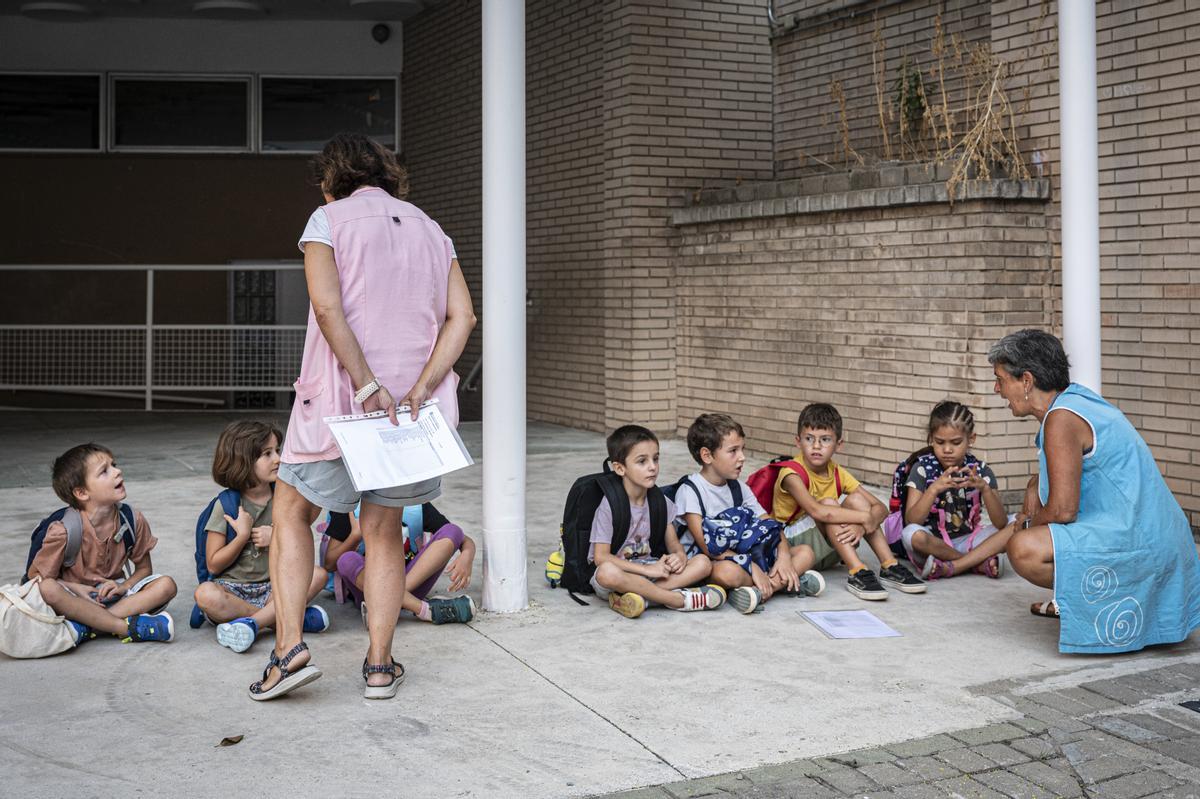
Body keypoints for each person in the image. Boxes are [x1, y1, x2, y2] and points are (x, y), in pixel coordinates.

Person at [251, 133, 476, 701]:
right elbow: (463, 317)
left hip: (336, 405)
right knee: (382, 531)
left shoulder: (329, 221)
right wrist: (422, 386)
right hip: (409, 416)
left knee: (291, 513)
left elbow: (327, 307)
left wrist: (365, 383)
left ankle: (289, 651)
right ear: (387, 173)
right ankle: (379, 667)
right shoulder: (431, 229)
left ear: (333, 178)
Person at [992, 329, 1200, 654]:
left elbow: (1063, 510)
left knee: (1024, 549)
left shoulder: (1062, 419)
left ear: (1027, 380)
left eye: (1001, 379)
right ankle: (1071, 599)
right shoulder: (1074, 402)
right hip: (1163, 542)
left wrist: (1030, 524)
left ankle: (1090, 603)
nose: (997, 389)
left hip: (1148, 548)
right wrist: (1034, 487)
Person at [193, 421, 329, 653]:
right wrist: (242, 535)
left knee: (318, 574)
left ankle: (251, 624)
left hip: (274, 587)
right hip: (233, 590)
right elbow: (213, 563)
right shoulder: (226, 506)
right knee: (205, 595)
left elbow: (306, 523)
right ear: (242, 461)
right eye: (267, 454)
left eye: (277, 450)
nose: (277, 459)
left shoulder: (284, 498)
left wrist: (276, 536)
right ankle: (280, 620)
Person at [771, 403, 925, 600]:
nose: (816, 446)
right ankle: (857, 571)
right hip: (796, 548)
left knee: (858, 500)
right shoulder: (791, 473)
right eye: (809, 439)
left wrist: (861, 526)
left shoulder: (836, 472)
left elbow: (881, 508)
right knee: (829, 504)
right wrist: (863, 518)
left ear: (839, 444)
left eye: (825, 440)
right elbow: (820, 512)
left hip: (829, 548)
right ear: (798, 441)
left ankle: (890, 566)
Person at [29, 444, 178, 644]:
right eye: (105, 471)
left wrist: (123, 586)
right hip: (74, 600)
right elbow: (35, 579)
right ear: (82, 493)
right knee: (48, 588)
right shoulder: (64, 530)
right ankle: (123, 627)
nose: (118, 472)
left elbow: (144, 569)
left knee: (166, 585)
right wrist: (76, 588)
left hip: (112, 598)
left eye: (114, 465)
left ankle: (86, 627)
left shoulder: (132, 520)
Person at [675, 413, 817, 614]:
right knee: (728, 574)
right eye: (733, 451)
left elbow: (769, 525)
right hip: (713, 560)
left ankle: (761, 589)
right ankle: (785, 582)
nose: (742, 457)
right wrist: (750, 566)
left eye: (742, 449)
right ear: (707, 456)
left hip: (744, 554)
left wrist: (784, 556)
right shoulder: (690, 491)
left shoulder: (739, 488)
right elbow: (708, 548)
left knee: (805, 552)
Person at [589, 425, 724, 619]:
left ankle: (640, 600)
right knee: (606, 572)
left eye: (656, 458)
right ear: (620, 468)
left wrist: (679, 557)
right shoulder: (609, 505)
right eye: (642, 461)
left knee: (703, 563)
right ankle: (675, 600)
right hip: (621, 576)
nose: (652, 466)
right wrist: (645, 569)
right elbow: (601, 558)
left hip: (652, 570)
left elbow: (674, 546)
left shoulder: (660, 502)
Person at [891, 401, 1012, 579]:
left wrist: (985, 489)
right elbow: (912, 520)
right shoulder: (922, 469)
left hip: (969, 540)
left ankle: (953, 565)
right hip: (933, 543)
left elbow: (1000, 523)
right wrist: (933, 490)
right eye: (940, 442)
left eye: (956, 442)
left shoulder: (980, 470)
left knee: (1017, 523)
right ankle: (974, 563)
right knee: (912, 534)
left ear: (971, 439)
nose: (947, 450)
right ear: (931, 438)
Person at [320, 502, 476, 625]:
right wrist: (355, 535)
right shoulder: (350, 507)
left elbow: (459, 536)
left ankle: (384, 607)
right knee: (347, 559)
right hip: (368, 589)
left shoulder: (415, 504)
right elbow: (330, 563)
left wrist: (468, 553)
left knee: (452, 530)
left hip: (407, 585)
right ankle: (427, 610)